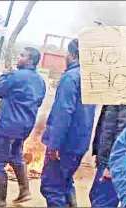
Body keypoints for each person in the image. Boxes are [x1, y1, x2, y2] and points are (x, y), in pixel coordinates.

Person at [0, 47, 46, 207]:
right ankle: (24, 190)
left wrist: (5, 73)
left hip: (8, 125)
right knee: (16, 155)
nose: (19, 58)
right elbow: (38, 102)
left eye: (22, 55)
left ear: (30, 61)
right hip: (25, 127)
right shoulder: (40, 81)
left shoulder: (14, 76)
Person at [40, 39, 96, 207]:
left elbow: (63, 113)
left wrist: (54, 144)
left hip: (65, 145)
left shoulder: (71, 77)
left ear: (72, 55)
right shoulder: (90, 77)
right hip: (79, 143)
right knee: (64, 183)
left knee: (51, 187)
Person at [90, 104, 126, 207]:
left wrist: (111, 166)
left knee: (102, 201)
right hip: (109, 160)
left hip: (114, 163)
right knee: (97, 196)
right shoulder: (117, 93)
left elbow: (124, 130)